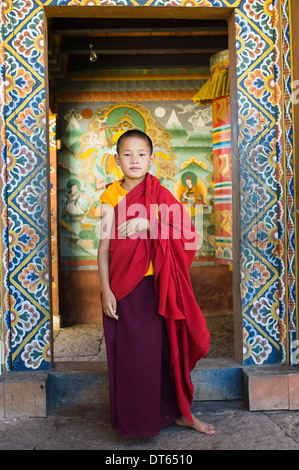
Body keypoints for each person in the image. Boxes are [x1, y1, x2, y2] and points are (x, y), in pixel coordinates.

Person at [98, 129, 215, 438]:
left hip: (158, 287)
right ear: (116, 160)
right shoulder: (110, 197)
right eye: (127, 154)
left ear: (151, 159)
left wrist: (150, 223)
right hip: (123, 288)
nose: (134, 160)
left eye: (141, 154)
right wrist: (106, 290)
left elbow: (190, 235)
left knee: (164, 352)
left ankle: (177, 413)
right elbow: (102, 247)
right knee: (132, 357)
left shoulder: (160, 194)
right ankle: (136, 422)